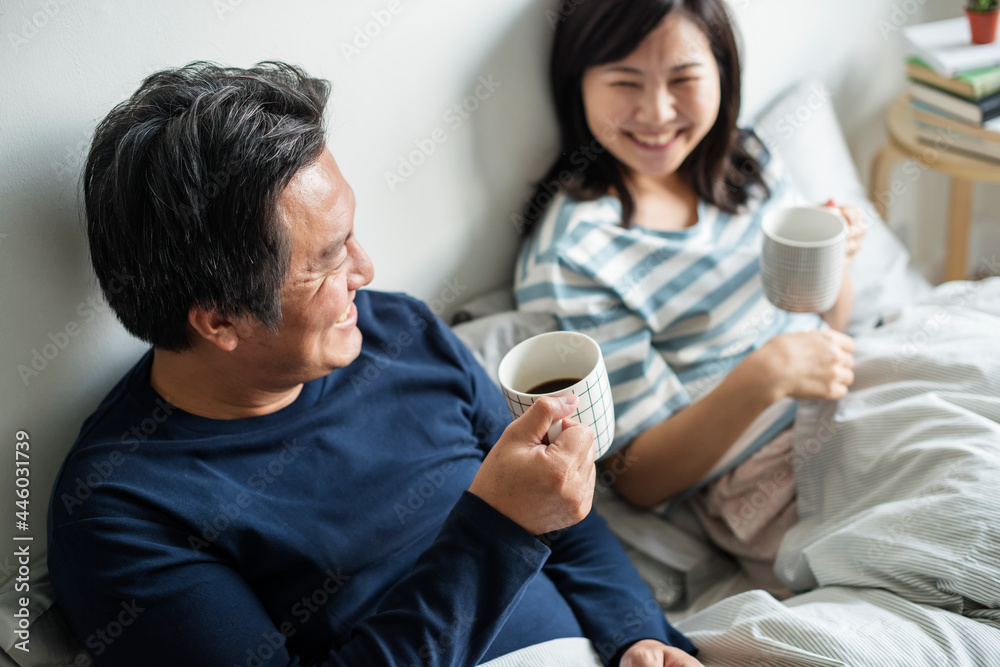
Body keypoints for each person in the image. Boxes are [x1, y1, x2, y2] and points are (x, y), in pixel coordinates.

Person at [46, 61, 702, 667]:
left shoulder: (400, 331)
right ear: (220, 318)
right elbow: (524, 514)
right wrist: (499, 525)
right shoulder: (119, 510)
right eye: (329, 257)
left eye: (351, 233)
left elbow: (563, 507)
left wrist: (636, 633)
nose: (366, 270)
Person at [514, 0, 866, 595]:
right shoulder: (579, 253)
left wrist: (837, 259)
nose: (657, 112)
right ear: (578, 85)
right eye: (625, 82)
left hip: (852, 386)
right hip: (766, 473)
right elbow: (638, 477)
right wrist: (765, 375)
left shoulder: (745, 159)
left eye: (683, 78)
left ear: (722, 73)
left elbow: (832, 320)